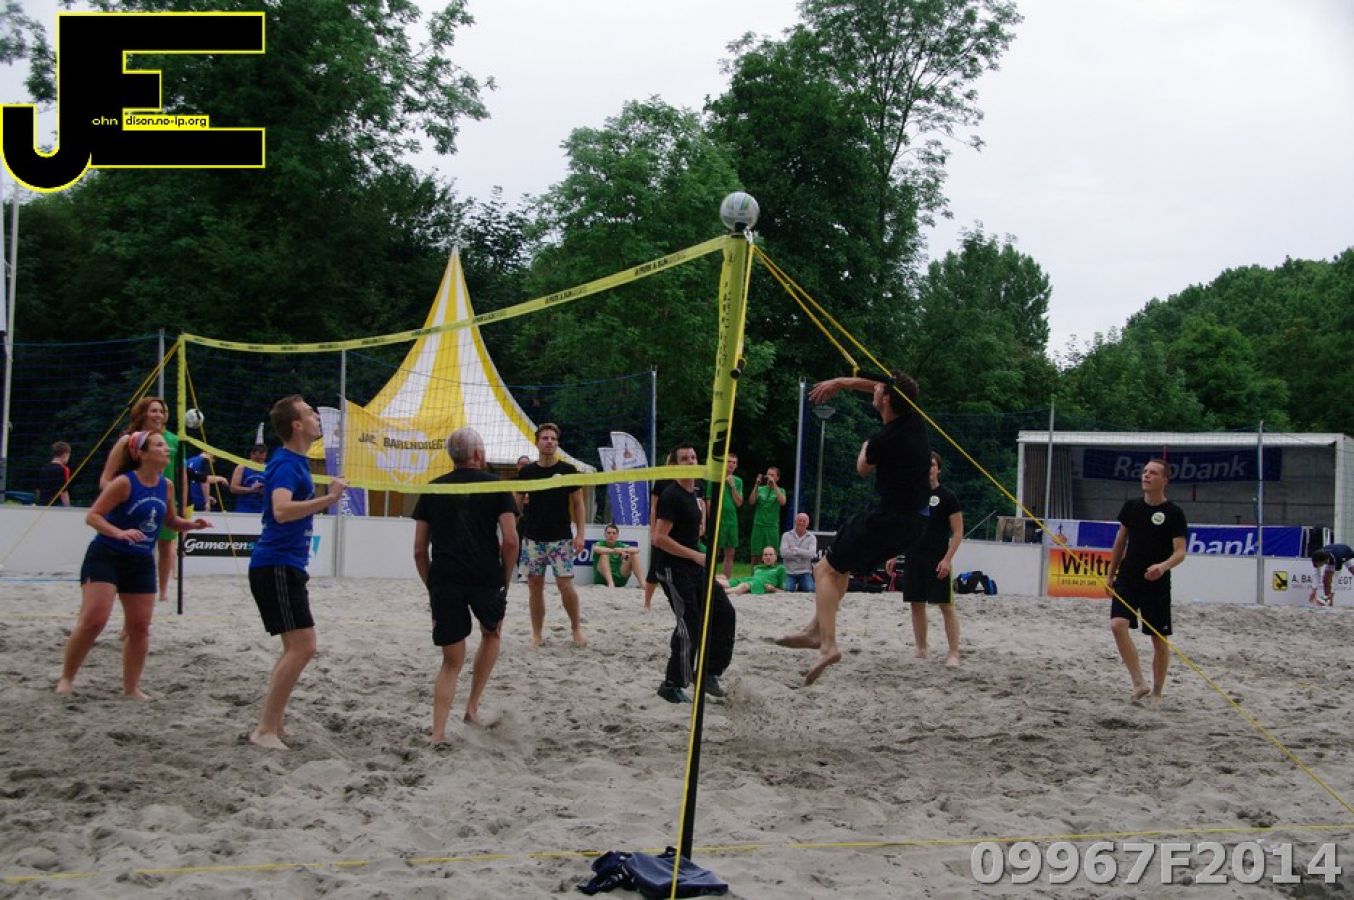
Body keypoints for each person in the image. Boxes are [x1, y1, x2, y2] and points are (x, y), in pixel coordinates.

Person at [777, 372, 931, 685]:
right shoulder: (915, 420)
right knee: (840, 567)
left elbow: (862, 469)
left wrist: (865, 447)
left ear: (886, 399)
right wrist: (844, 383)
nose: (872, 389)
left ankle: (827, 645)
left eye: (878, 389)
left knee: (823, 569)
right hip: (915, 523)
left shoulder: (882, 440)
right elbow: (888, 388)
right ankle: (814, 629)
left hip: (887, 519)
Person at [56, 431, 211, 699]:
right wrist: (119, 533)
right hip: (107, 555)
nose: (167, 449)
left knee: (139, 628)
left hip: (140, 561)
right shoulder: (124, 483)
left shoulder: (166, 485)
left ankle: (131, 688)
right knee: (94, 620)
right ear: (141, 453)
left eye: (165, 445)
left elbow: (170, 521)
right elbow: (93, 517)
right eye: (159, 445)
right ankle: (67, 678)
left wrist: (192, 525)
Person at [248, 395, 347, 750]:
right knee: (303, 648)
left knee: (295, 648)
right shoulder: (286, 463)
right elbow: (281, 510)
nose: (317, 416)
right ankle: (264, 730)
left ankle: (273, 725)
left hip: (283, 564)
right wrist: (329, 499)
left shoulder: (295, 462)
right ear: (296, 424)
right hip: (276, 564)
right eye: (309, 413)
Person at [412, 427, 518, 743]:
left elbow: (419, 550)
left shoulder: (433, 488)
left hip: (445, 577)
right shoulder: (496, 486)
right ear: (478, 454)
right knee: (492, 632)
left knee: (451, 661)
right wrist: (505, 579)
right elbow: (510, 540)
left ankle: (438, 733)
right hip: (485, 575)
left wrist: (432, 585)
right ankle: (471, 707)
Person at [652, 443, 736, 703]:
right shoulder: (671, 495)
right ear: (674, 465)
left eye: (693, 457)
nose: (690, 461)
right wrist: (695, 555)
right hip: (673, 568)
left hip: (693, 567)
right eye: (684, 459)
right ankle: (672, 684)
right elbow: (659, 538)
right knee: (690, 624)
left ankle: (709, 671)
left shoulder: (695, 492)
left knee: (724, 612)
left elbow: (689, 532)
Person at [1105, 458, 1187, 705]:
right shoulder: (1131, 507)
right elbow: (1120, 543)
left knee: (1158, 638)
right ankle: (1139, 682)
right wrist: (1110, 575)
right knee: (1117, 625)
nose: (1146, 476)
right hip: (1128, 577)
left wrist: (1163, 566)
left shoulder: (1174, 513)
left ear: (1165, 480)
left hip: (1156, 582)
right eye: (1145, 472)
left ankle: (1157, 692)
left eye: (1153, 473)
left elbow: (1180, 552)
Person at [99, 396, 184, 604]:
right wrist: (123, 495)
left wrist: (183, 508)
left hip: (158, 504)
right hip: (130, 509)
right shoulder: (127, 441)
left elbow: (182, 476)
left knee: (163, 547)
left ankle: (162, 592)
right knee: (126, 553)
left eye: (161, 411)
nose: (159, 415)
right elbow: (105, 480)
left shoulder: (170, 442)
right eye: (153, 410)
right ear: (142, 413)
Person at [518, 423, 587, 647]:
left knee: (565, 586)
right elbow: (515, 505)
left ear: (557, 443)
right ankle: (537, 634)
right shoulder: (527, 472)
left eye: (553, 439)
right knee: (534, 587)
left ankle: (576, 628)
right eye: (545, 438)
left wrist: (580, 534)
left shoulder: (568, 470)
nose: (549, 442)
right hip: (533, 537)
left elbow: (578, 504)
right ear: (537, 442)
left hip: (561, 537)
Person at [894, 451, 963, 666]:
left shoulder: (948, 497)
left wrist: (947, 559)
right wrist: (894, 554)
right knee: (916, 603)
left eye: (932, 464)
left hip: (937, 558)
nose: (929, 468)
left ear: (938, 469)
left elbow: (958, 532)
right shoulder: (913, 496)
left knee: (945, 605)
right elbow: (904, 527)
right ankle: (921, 648)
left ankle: (953, 652)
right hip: (914, 555)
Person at [711, 453, 743, 578]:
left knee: (730, 553)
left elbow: (739, 503)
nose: (731, 464)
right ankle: (711, 578)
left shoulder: (738, 481)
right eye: (729, 461)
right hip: (718, 520)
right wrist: (711, 519)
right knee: (715, 552)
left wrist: (733, 486)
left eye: (734, 462)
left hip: (732, 520)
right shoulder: (715, 478)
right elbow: (709, 501)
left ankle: (726, 580)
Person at [747, 465, 786, 566]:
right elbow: (751, 501)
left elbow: (782, 502)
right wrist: (756, 485)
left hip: (772, 527)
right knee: (755, 556)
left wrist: (774, 485)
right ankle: (754, 575)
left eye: (772, 475)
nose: (769, 477)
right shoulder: (760, 489)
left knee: (772, 555)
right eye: (768, 474)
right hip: (759, 526)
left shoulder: (781, 490)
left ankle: (771, 575)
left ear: (777, 478)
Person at [593, 522, 645, 588]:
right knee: (604, 555)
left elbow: (637, 550)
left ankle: (643, 584)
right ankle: (611, 584)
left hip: (619, 577)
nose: (611, 535)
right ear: (605, 534)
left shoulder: (621, 545)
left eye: (614, 533)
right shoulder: (599, 544)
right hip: (602, 578)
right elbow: (596, 549)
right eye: (609, 533)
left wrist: (623, 550)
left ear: (617, 535)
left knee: (634, 556)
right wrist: (614, 551)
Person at [719, 545, 786, 595]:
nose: (768, 557)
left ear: (775, 557)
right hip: (748, 580)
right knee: (725, 581)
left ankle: (721, 592)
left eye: (771, 555)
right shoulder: (757, 568)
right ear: (762, 558)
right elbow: (753, 578)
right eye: (765, 555)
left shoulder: (780, 569)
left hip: (760, 584)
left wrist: (773, 589)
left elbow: (783, 591)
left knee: (744, 586)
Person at [779, 513, 818, 593]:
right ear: (795, 521)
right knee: (787, 590)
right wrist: (804, 553)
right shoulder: (786, 535)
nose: (801, 523)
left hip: (805, 572)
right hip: (789, 572)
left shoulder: (812, 537)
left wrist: (795, 550)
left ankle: (800, 585)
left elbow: (812, 554)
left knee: (810, 590)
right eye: (800, 520)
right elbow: (783, 553)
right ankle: (798, 585)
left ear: (807, 524)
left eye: (804, 521)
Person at [230, 443, 269, 514]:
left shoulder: (269, 468)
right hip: (244, 508)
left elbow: (276, 489)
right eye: (257, 459)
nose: (259, 462)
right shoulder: (242, 467)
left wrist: (265, 490)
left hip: (263, 508)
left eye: (262, 459)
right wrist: (251, 489)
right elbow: (233, 488)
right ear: (252, 454)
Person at [36, 441, 73, 506]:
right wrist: (68, 507)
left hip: (42, 504)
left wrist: (39, 504)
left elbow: (38, 490)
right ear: (65, 455)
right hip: (56, 506)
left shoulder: (43, 468)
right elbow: (64, 492)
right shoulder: (64, 469)